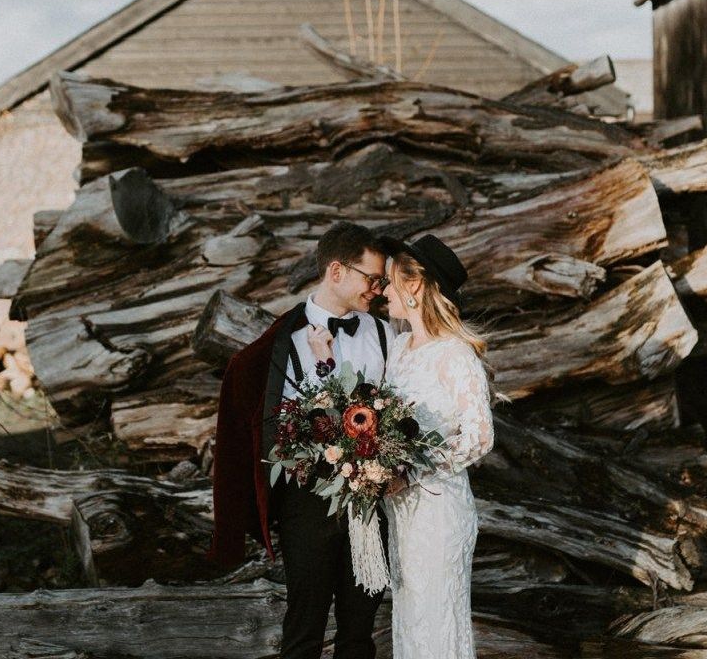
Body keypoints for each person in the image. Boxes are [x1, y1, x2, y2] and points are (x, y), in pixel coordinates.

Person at [206, 220, 394, 659]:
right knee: (304, 626)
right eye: (372, 279)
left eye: (381, 281)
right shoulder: (282, 342)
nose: (378, 289)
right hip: (308, 503)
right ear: (336, 271)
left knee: (359, 629)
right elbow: (271, 425)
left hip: (370, 503)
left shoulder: (384, 335)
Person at [379, 233, 495, 659]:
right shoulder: (399, 349)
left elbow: (479, 437)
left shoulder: (454, 354)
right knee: (411, 621)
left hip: (439, 511)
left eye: (390, 281)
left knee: (436, 621)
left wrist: (411, 471)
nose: (383, 291)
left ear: (413, 285)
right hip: (401, 513)